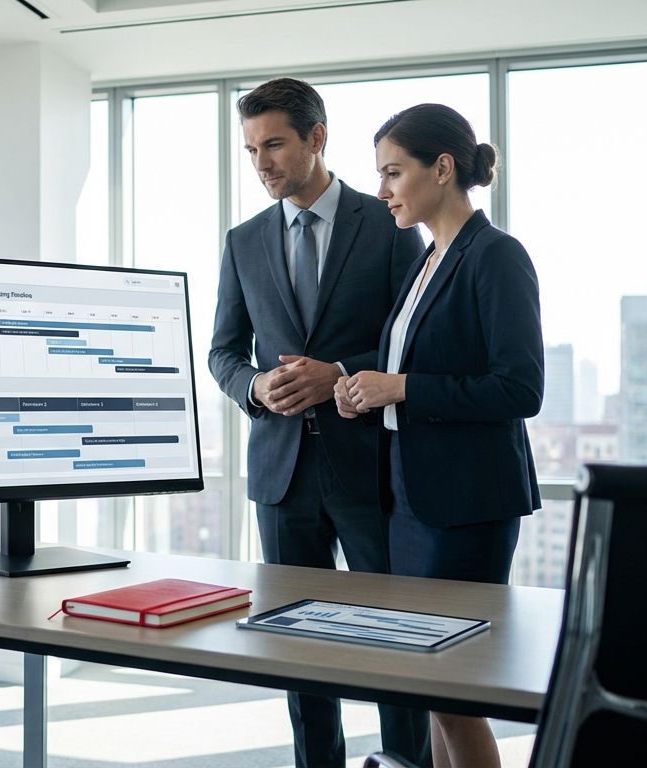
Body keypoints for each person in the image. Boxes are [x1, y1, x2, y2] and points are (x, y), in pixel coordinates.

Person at [208, 78, 430, 768]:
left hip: (368, 468)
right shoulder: (243, 241)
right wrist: (255, 387)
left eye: (273, 143)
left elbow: (414, 344)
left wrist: (336, 372)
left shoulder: (391, 224)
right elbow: (222, 352)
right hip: (281, 476)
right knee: (298, 653)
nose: (262, 161)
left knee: (395, 644)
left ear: (316, 138)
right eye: (250, 149)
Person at [335, 103, 544, 768]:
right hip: (407, 500)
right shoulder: (428, 260)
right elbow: (413, 370)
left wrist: (401, 388)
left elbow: (520, 388)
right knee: (430, 686)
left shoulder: (497, 256)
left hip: (465, 507)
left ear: (443, 168)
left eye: (394, 172)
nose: (382, 190)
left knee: (455, 691)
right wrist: (364, 388)